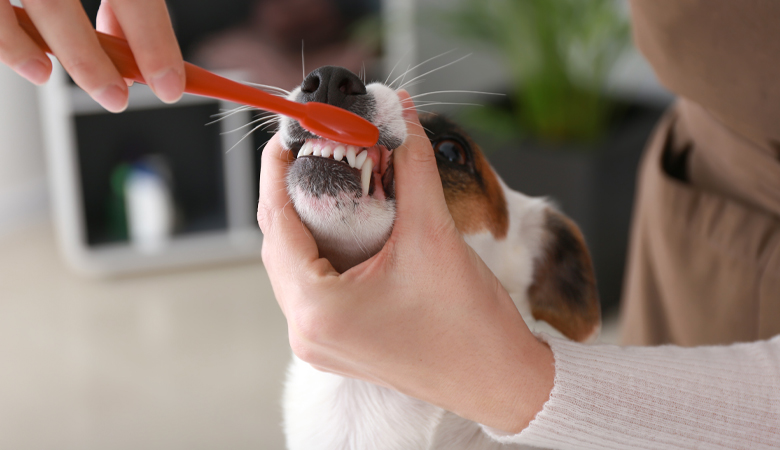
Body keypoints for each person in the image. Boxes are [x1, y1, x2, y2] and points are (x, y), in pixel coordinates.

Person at [4, 1, 778, 448]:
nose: (330, 88)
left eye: (447, 153)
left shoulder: (550, 274)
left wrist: (528, 382)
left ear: (540, 273)